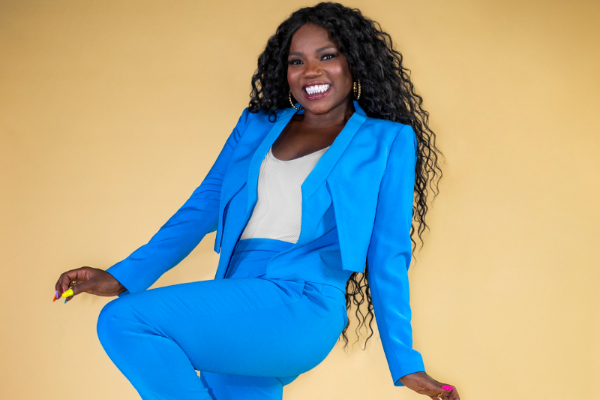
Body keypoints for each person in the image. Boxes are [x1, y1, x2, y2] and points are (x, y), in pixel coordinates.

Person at [54, 3, 457, 399]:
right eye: (297, 61)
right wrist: (122, 277)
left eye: (327, 56)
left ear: (354, 63)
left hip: (302, 301)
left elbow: (388, 254)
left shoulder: (386, 140)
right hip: (235, 297)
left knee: (125, 320)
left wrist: (405, 363)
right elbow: (201, 208)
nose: (311, 71)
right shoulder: (255, 126)